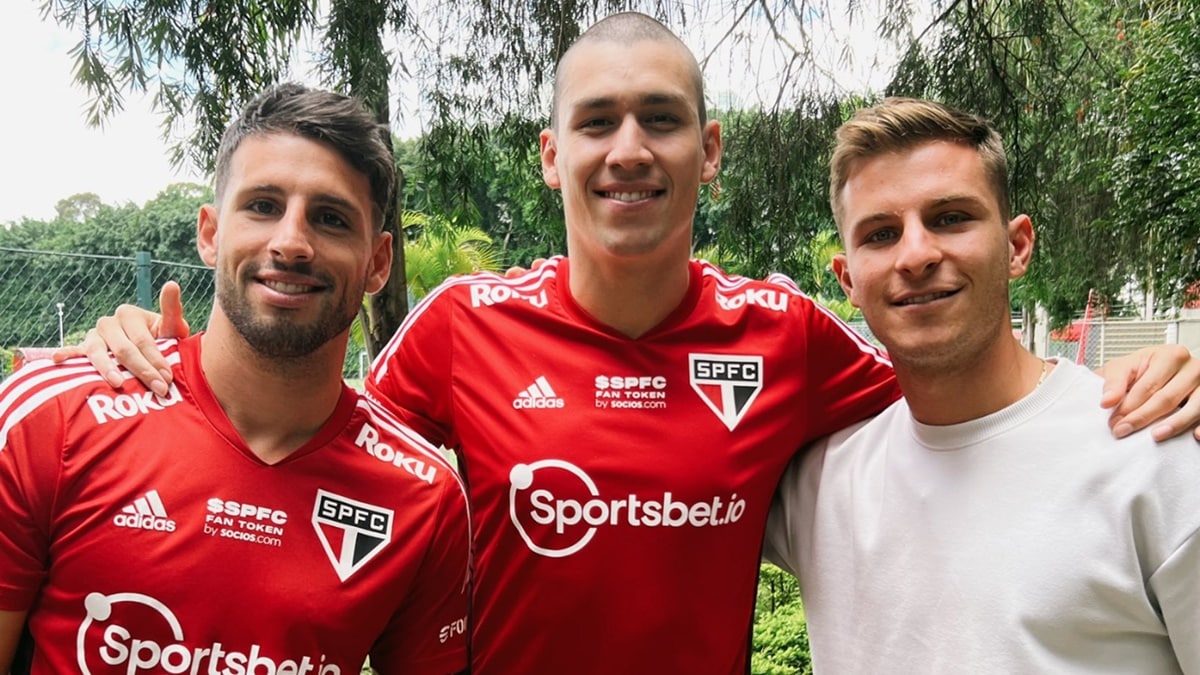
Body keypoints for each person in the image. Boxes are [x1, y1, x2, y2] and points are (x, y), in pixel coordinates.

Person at [66, 14, 1200, 674]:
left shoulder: (787, 336)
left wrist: (1135, 376)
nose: (628, 149)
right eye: (595, 122)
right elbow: (319, 446)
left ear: (708, 150)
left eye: (660, 119)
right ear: (549, 155)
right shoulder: (463, 326)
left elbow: (963, 390)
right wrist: (155, 371)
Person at [0, 83, 470, 674]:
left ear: (378, 262)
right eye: (263, 206)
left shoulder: (424, 496)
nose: (291, 243)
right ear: (210, 233)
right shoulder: (53, 418)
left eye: (330, 218)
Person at [764, 98, 1200, 673]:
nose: (916, 255)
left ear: (1017, 246)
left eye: (950, 218)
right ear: (848, 279)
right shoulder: (816, 486)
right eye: (880, 234)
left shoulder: (1156, 452)